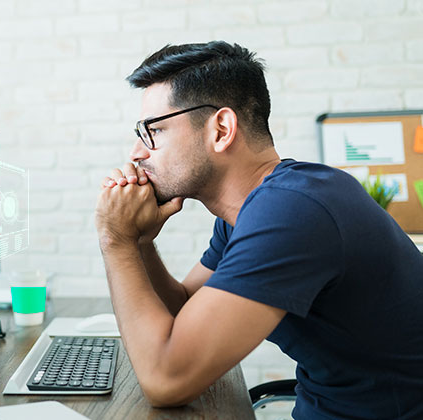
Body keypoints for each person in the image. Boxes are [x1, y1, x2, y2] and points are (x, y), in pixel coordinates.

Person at [94, 41, 423, 419]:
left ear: (221, 129)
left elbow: (166, 380)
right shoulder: (254, 211)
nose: (137, 152)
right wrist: (140, 243)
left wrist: (114, 240)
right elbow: (187, 308)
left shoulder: (293, 211)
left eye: (155, 130)